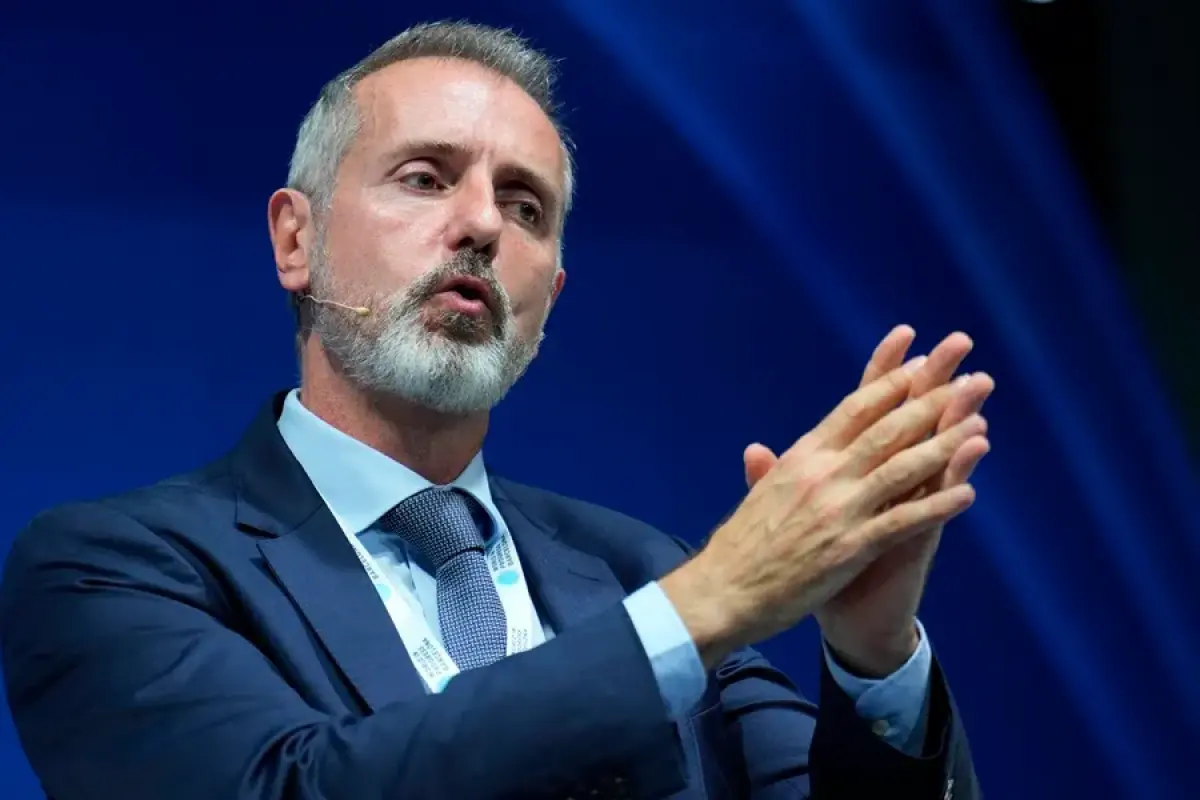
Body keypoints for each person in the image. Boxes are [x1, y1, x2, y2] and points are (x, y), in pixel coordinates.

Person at [0, 21, 994, 800]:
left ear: (549, 298)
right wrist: (698, 610)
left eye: (525, 207)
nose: (480, 223)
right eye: (425, 178)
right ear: (296, 240)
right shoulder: (110, 567)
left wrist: (872, 656)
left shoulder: (640, 568)